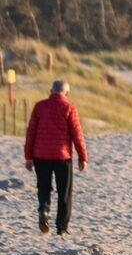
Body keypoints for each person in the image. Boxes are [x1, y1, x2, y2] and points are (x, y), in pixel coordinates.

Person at [24, 79, 88, 237]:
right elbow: (77, 135)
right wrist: (82, 156)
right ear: (67, 93)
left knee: (44, 187)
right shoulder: (69, 108)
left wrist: (28, 157)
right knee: (64, 192)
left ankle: (44, 209)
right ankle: (61, 227)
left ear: (51, 90)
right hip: (62, 156)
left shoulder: (39, 107)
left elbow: (31, 132)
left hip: (40, 155)